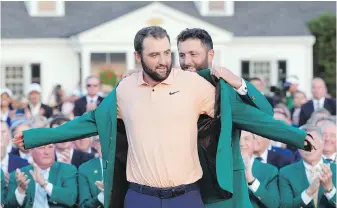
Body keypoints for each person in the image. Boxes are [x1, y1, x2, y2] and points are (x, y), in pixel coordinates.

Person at [13, 26, 316, 208]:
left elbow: (248, 116)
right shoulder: (125, 90)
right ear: (138, 56)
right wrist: (33, 137)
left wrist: (298, 137)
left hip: (188, 196)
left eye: (166, 53)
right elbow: (86, 122)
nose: (164, 61)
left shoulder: (195, 85)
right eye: (154, 54)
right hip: (139, 197)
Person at [279, 124, 336, 208]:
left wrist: (330, 190)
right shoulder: (286, 173)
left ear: (322, 144)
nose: (310, 147)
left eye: (314, 142)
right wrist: (309, 192)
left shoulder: (335, 169)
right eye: (305, 143)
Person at [5, 144, 78, 208]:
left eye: (50, 147)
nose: (47, 152)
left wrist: (44, 184)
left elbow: (71, 199)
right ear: (31, 151)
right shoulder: (18, 174)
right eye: (41, 148)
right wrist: (21, 190)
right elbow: (9, 205)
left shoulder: (68, 170)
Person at [240, 131, 279, 208]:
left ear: (254, 142)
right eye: (238, 139)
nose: (241, 143)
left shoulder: (270, 171)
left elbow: (274, 204)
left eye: (246, 139)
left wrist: (251, 180)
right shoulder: (223, 167)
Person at [78, 136, 104, 208]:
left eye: (108, 139)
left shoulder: (125, 165)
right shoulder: (85, 168)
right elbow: (83, 205)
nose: (105, 143)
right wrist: (101, 197)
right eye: (100, 140)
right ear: (95, 144)